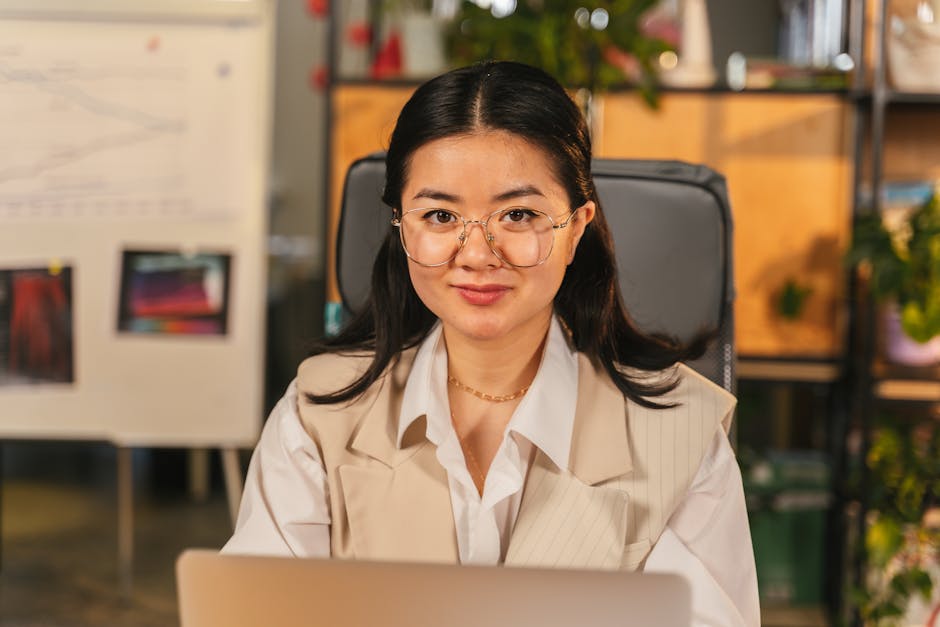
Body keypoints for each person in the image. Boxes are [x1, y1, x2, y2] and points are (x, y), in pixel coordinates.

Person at [224, 60, 759, 627]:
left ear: (576, 228)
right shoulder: (316, 416)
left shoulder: (679, 435)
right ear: (401, 227)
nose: (477, 254)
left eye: (519, 214)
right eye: (440, 215)